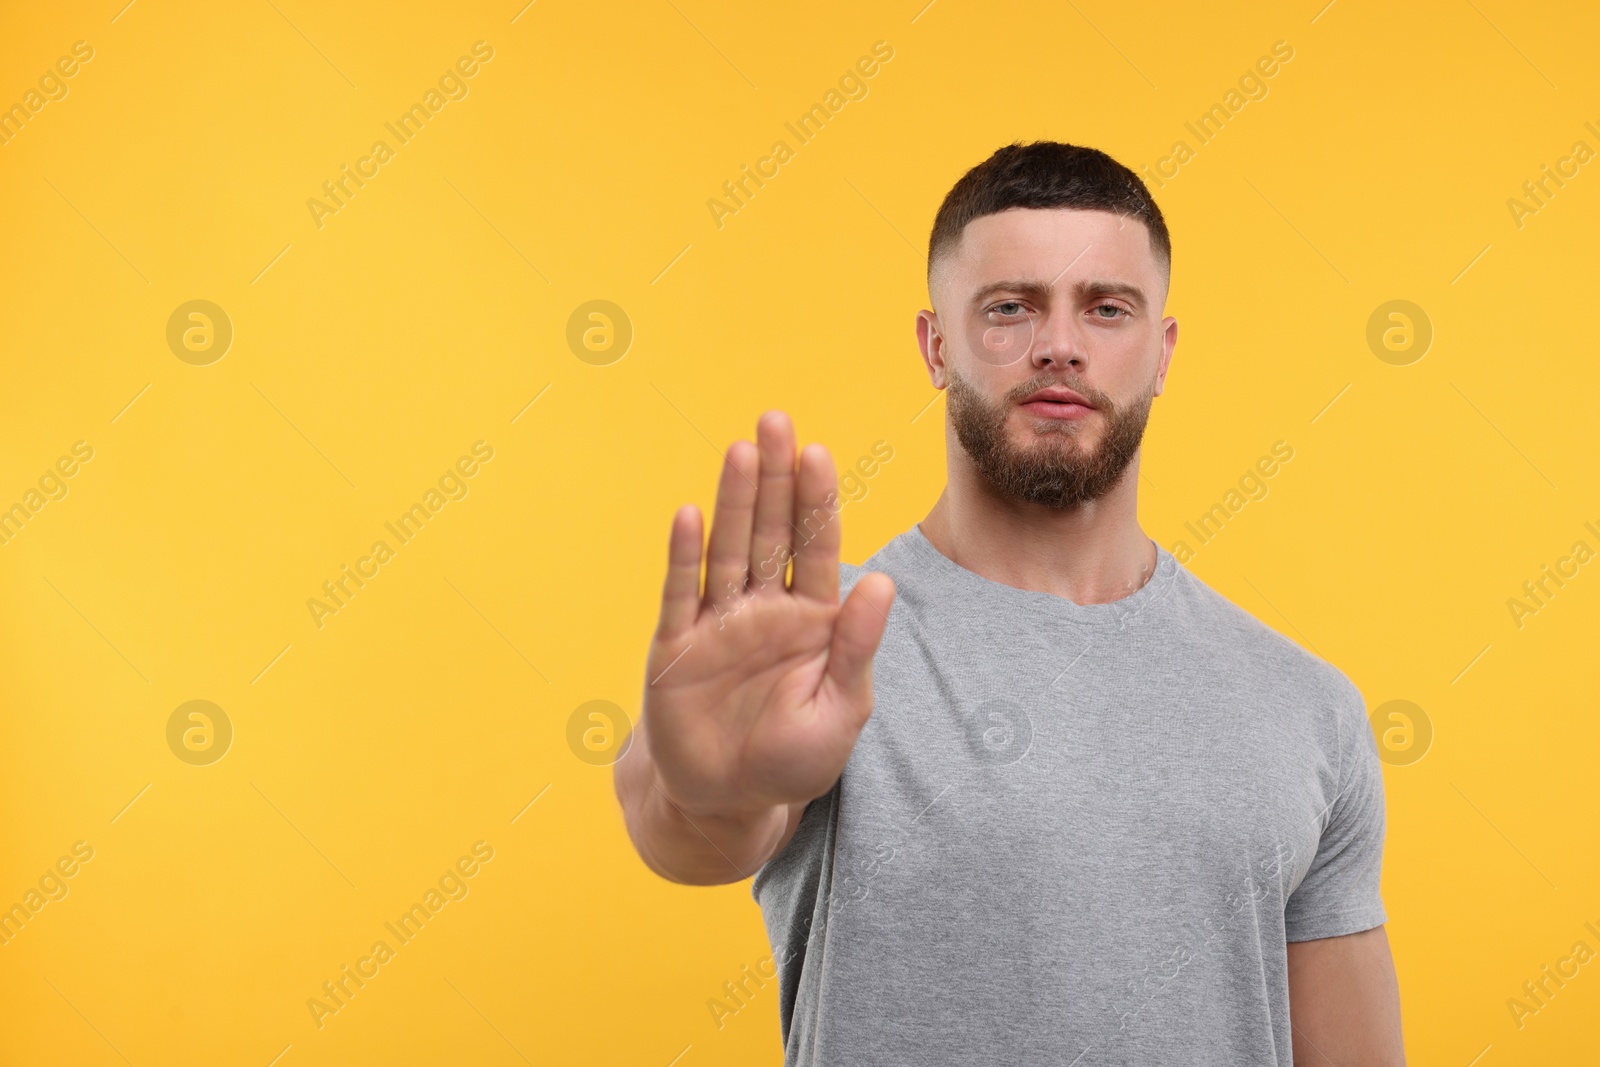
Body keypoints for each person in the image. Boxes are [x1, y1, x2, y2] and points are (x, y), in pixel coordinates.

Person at [613, 141, 1404, 1065]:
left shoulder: (1307, 706)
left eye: (1107, 309)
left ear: (1163, 350)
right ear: (936, 346)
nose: (1059, 343)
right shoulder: (818, 659)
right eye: (1009, 308)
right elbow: (693, 829)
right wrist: (709, 791)